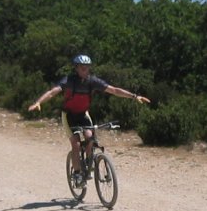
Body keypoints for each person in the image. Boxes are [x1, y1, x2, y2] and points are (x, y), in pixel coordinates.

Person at [28, 54, 149, 183]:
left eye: (87, 67)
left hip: (83, 114)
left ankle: (87, 161)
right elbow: (53, 92)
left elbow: (114, 90)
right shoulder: (69, 80)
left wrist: (134, 96)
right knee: (76, 144)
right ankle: (77, 173)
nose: (85, 69)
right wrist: (38, 102)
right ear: (76, 68)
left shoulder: (92, 81)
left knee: (90, 137)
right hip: (69, 116)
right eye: (82, 67)